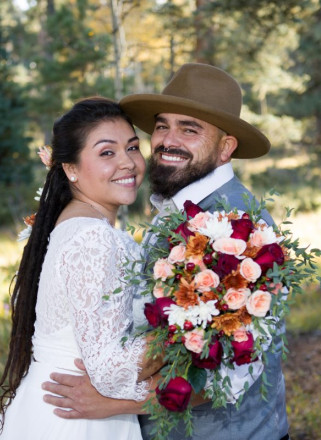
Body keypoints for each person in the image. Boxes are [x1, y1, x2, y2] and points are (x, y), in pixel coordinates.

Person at [42, 63, 290, 440]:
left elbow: (236, 374)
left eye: (189, 129)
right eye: (162, 125)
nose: (167, 140)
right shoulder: (177, 206)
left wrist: (114, 404)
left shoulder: (242, 231)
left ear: (226, 148)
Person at [0, 97, 163, 439]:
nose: (127, 163)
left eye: (132, 147)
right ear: (70, 169)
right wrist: (180, 332)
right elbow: (110, 371)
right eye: (106, 153)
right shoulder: (94, 240)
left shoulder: (72, 225)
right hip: (78, 418)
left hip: (52, 406)